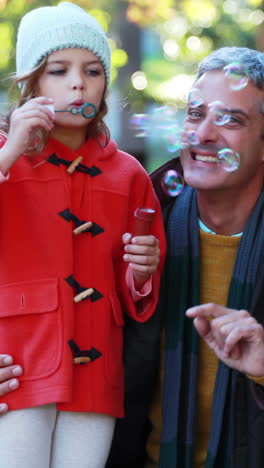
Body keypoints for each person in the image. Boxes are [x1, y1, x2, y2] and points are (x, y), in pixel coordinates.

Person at [0, 44, 263, 468]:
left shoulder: (129, 181)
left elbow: (129, 295)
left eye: (230, 119)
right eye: (195, 115)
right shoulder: (159, 204)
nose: (204, 134)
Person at [0, 3, 166, 468]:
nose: (79, 82)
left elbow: (136, 292)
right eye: (59, 69)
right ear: (31, 83)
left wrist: (142, 272)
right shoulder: (5, 157)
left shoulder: (130, 174)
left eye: (92, 70)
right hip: (16, 364)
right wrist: (11, 150)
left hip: (96, 370)